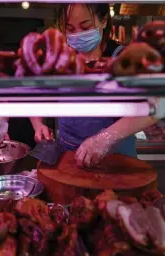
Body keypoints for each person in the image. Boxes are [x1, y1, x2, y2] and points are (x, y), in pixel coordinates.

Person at [30, 3, 158, 168]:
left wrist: (105, 138)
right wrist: (38, 124)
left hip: (116, 161)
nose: (77, 35)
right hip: (68, 160)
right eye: (70, 28)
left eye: (85, 26)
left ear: (103, 21)